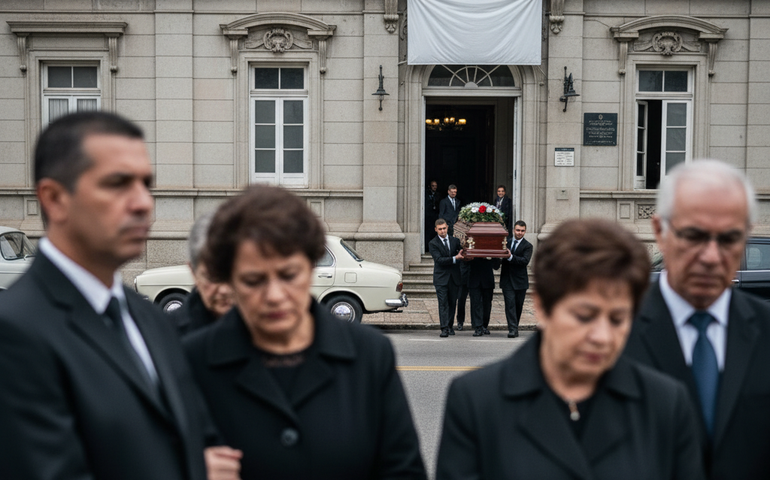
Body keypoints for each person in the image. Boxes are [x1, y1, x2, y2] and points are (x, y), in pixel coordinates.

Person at [0, 111, 240, 480]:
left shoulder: (149, 318)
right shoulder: (15, 331)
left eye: (146, 183)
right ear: (54, 199)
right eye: (118, 183)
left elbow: (200, 437)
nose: (144, 202)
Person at [182, 185, 427, 480]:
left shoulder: (370, 355)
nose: (274, 295)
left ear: (311, 268)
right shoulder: (192, 360)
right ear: (229, 280)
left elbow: (403, 471)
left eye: (288, 275)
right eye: (253, 280)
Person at [437, 219, 704, 480]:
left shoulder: (667, 404)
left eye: (617, 319)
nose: (602, 337)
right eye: (584, 316)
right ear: (542, 306)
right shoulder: (476, 402)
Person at [624, 159, 770, 479]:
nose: (711, 257)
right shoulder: (611, 334)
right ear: (660, 232)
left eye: (729, 239)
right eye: (694, 236)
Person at [171, 212, 235, 336]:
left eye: (230, 275)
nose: (224, 290)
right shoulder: (163, 332)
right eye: (213, 277)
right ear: (193, 272)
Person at [429, 218, 464, 337]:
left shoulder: (455, 241)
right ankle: (444, 328)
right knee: (443, 303)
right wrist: (456, 258)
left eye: (444, 228)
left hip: (454, 277)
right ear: (436, 230)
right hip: (441, 279)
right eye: (440, 229)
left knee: (452, 302)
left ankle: (450, 325)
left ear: (447, 228)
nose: (442, 231)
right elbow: (439, 260)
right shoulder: (433, 243)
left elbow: (461, 253)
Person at [500, 220, 532, 338]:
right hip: (507, 280)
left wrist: (511, 257)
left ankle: (515, 326)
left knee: (518, 306)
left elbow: (524, 261)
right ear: (513, 230)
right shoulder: (505, 243)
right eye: (518, 230)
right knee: (510, 304)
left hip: (520, 281)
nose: (520, 233)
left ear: (525, 231)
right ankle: (512, 329)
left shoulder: (528, 246)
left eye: (522, 231)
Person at [467, 256, 498, 336]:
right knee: (475, 304)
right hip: (474, 278)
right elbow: (465, 263)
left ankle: (484, 325)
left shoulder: (491, 248)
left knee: (487, 304)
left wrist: (491, 257)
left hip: (487, 279)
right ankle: (477, 326)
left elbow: (496, 266)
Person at [425, 180, 440, 251]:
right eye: (433, 186)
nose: (434, 187)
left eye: (435, 186)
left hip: (435, 216)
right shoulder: (426, 194)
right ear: (429, 186)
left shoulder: (438, 195)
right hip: (428, 216)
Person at [455, 261, 470, 331]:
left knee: (477, 301)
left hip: (474, 274)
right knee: (461, 300)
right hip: (463, 275)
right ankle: (460, 321)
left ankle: (478, 323)